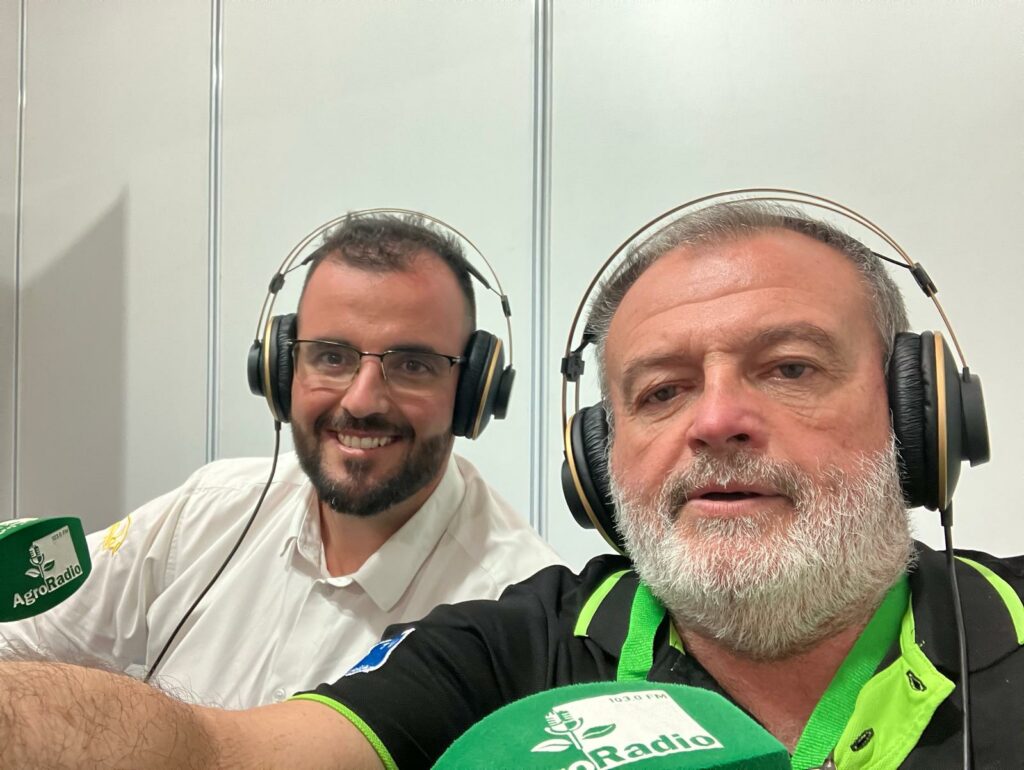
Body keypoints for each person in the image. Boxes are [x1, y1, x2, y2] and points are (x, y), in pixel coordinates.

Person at [2, 200, 1021, 769]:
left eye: (789, 368)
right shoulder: (517, 647)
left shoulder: (499, 574)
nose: (716, 420)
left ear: (918, 411)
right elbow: (221, 753)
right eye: (662, 390)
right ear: (601, 455)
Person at [0, 213, 561, 709]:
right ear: (278, 370)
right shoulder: (205, 512)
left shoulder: (521, 613)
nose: (361, 401)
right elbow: (21, 635)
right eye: (332, 357)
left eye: (412, 365)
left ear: (474, 394)